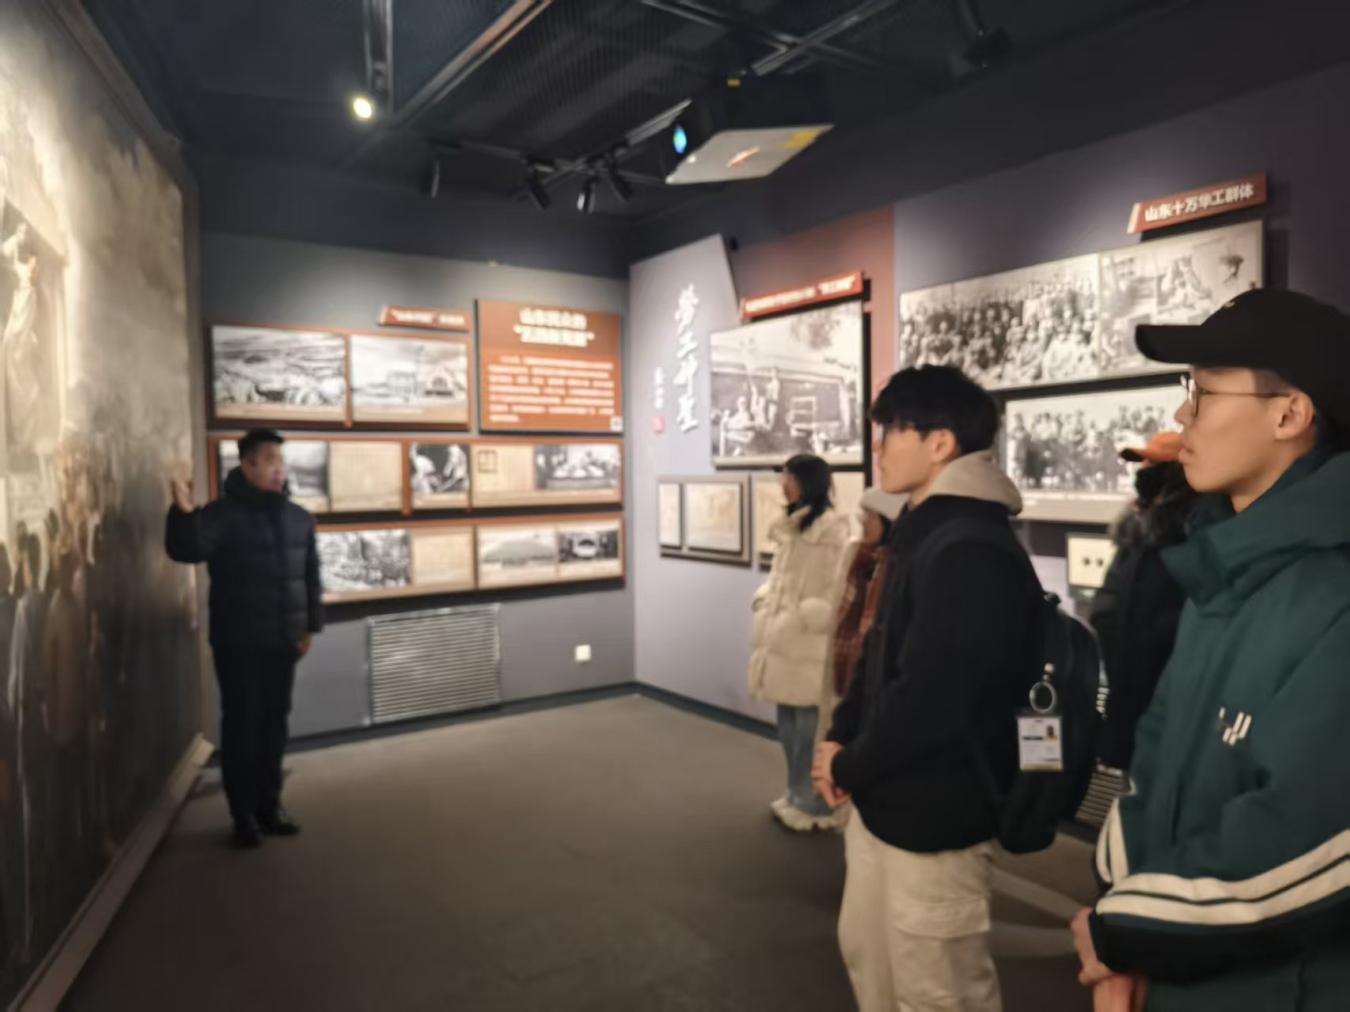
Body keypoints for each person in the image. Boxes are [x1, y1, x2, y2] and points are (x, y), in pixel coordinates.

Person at [1073, 289, 1350, 1011]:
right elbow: (1154, 755)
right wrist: (1125, 921)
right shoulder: (1222, 568)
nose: (1180, 415)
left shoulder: (1333, 591)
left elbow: (1313, 841)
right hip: (1180, 973)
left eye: (1203, 393)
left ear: (1290, 414)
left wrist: (1121, 932)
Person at [814, 366, 1040, 1012]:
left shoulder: (970, 548)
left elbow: (935, 698)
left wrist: (849, 762)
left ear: (940, 443)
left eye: (891, 432)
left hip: (939, 811)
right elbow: (878, 656)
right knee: (873, 960)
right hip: (887, 798)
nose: (878, 448)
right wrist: (838, 740)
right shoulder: (926, 532)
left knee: (938, 990)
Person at [165, 428, 323, 848]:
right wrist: (183, 510)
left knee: (274, 725)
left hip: (282, 642)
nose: (278, 469)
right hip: (239, 644)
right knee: (242, 727)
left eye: (281, 460)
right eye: (269, 460)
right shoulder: (222, 515)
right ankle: (243, 814)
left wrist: (309, 627)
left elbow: (310, 578)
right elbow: (186, 549)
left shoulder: (297, 518)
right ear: (248, 465)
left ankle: (270, 805)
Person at [749, 453, 851, 833]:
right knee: (789, 726)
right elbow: (783, 577)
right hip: (784, 637)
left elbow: (837, 585)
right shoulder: (791, 526)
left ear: (807, 481)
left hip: (809, 643)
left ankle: (814, 803)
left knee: (810, 729)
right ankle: (794, 792)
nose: (783, 483)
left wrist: (812, 613)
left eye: (789, 477)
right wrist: (766, 600)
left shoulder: (831, 529)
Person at [1089, 431, 1196, 772]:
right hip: (1126, 683)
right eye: (1143, 461)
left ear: (1177, 471)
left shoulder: (1190, 530)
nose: (1144, 469)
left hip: (1166, 697)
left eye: (1153, 463)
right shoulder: (1137, 527)